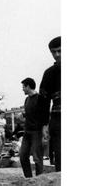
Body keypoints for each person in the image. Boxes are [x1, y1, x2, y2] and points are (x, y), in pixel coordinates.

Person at [18, 77, 47, 178]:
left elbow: (44, 116)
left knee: (37, 158)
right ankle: (29, 179)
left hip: (37, 132)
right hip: (27, 132)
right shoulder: (27, 99)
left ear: (28, 86)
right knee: (22, 156)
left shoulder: (40, 98)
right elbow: (29, 114)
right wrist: (23, 116)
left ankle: (39, 180)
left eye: (23, 87)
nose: (22, 89)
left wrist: (44, 132)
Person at [40, 36, 61, 172]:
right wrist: (44, 125)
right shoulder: (49, 74)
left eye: (60, 51)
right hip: (58, 121)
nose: (57, 55)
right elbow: (43, 102)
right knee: (61, 157)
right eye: (53, 52)